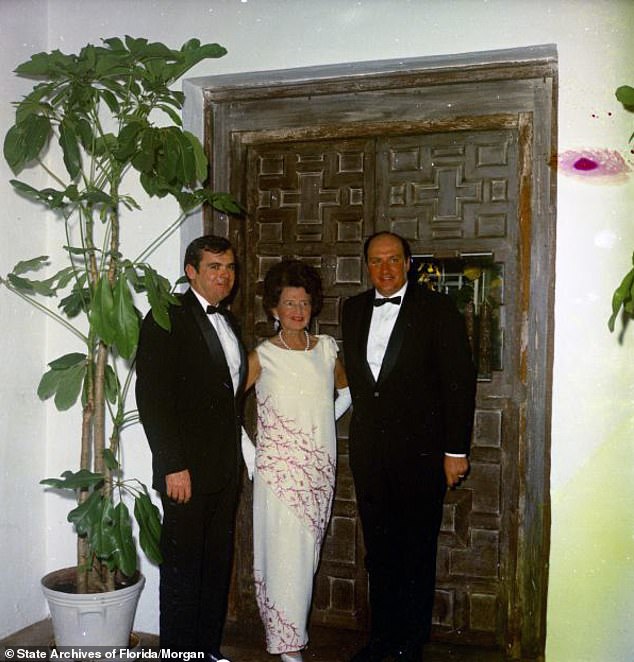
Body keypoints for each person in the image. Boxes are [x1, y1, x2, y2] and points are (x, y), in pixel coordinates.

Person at [342, 231, 477, 662]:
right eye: (376, 261)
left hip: (422, 455)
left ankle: (408, 646)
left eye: (393, 260)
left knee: (416, 551)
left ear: (408, 263)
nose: (385, 269)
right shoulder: (353, 309)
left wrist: (455, 451)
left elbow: (459, 384)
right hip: (369, 454)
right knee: (379, 552)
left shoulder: (438, 309)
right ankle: (381, 638)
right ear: (367, 265)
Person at [136, 235, 247, 662]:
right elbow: (153, 397)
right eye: (215, 267)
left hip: (223, 468)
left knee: (216, 565)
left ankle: (208, 651)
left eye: (230, 267)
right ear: (191, 272)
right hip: (184, 472)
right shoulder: (166, 317)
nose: (225, 276)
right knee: (183, 571)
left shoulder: (230, 322)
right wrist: (172, 464)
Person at [242, 260, 351, 662]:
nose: (297, 311)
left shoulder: (326, 349)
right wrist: (251, 456)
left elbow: (346, 392)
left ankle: (292, 637)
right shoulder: (261, 356)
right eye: (289, 303)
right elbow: (226, 407)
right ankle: (288, 645)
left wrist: (321, 421)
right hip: (277, 471)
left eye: (304, 303)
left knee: (307, 554)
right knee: (285, 554)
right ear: (274, 309)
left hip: (319, 467)